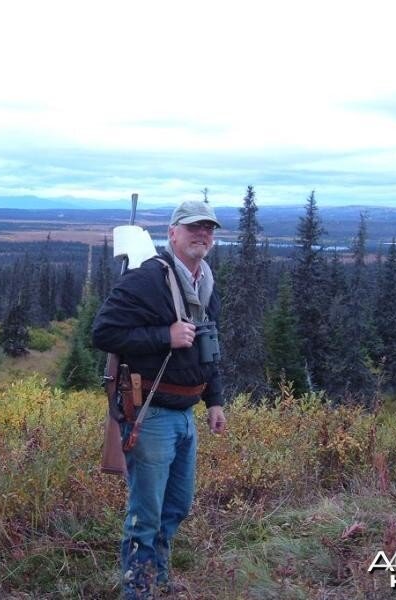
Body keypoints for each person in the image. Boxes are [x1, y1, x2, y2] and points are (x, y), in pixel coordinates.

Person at [92, 200, 227, 599]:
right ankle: (137, 591)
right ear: (172, 234)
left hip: (185, 415)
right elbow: (103, 333)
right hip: (150, 415)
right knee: (146, 515)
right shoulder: (147, 278)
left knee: (177, 507)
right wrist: (163, 336)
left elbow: (209, 349)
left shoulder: (206, 284)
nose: (202, 234)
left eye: (208, 229)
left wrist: (215, 401)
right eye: (193, 228)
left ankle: (157, 579)